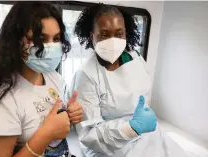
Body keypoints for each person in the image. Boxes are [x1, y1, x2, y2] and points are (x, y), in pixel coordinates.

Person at [0, 2, 83, 157]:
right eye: (40, 38)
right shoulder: (0, 98)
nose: (51, 46)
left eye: (56, 38)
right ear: (16, 41)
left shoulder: (53, 78)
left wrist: (69, 115)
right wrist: (45, 135)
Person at [67, 3, 190, 157]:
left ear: (126, 34)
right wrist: (130, 128)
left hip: (146, 134)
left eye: (119, 34)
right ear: (92, 37)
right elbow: (89, 135)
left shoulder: (135, 58)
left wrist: (141, 125)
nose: (113, 40)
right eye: (105, 34)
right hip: (109, 147)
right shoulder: (86, 75)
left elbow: (142, 97)